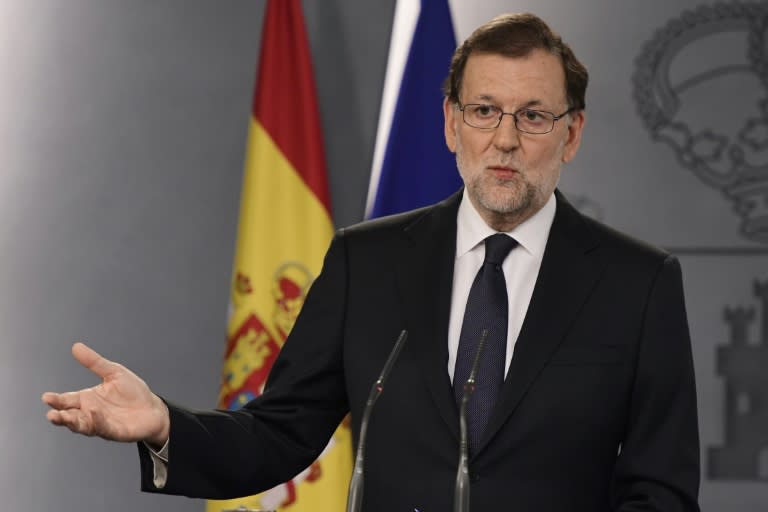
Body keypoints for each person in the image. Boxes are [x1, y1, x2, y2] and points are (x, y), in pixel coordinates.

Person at [43, 12, 700, 511]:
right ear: (450, 123)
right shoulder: (367, 261)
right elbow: (279, 433)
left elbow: (661, 491)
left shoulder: (636, 285)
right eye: (484, 111)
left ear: (572, 132)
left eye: (532, 115)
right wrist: (165, 426)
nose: (505, 138)